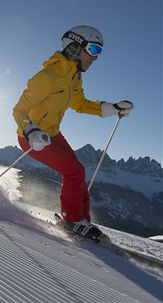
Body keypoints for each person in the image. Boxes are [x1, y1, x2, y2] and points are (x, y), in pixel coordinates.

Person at [12, 25, 134, 241]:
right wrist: (30, 131)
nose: (95, 58)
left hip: (53, 134)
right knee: (74, 171)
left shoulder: (75, 78)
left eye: (99, 53)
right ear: (75, 47)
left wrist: (112, 108)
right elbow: (19, 110)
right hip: (32, 137)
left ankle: (82, 220)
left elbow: (80, 104)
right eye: (94, 51)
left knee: (78, 171)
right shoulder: (47, 76)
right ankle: (73, 221)